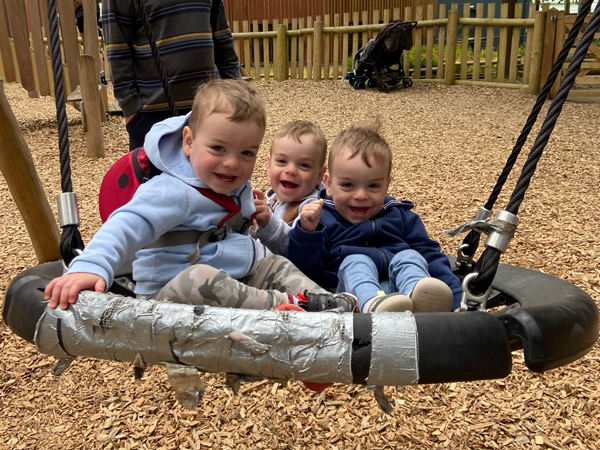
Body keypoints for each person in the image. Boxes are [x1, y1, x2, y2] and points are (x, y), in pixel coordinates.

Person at [44, 80, 356, 314]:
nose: (232, 162)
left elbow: (238, 235)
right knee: (200, 277)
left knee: (274, 265)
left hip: (236, 276)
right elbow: (126, 225)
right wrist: (92, 265)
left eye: (247, 153)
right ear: (189, 142)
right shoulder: (172, 189)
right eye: (218, 149)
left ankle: (333, 307)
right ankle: (293, 308)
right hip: (171, 293)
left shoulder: (236, 187)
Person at [287, 122, 462, 313]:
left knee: (410, 256)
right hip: (351, 301)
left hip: (401, 299)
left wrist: (456, 298)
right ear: (329, 185)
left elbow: (430, 255)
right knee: (356, 261)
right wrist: (307, 234)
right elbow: (305, 273)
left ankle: (421, 299)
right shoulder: (323, 220)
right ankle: (372, 304)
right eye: (348, 185)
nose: (361, 195)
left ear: (387, 185)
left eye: (373, 186)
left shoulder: (400, 216)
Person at [102, 0, 242, 150]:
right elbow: (118, 48)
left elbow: (222, 37)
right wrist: (132, 112)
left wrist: (237, 94)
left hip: (210, 108)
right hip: (153, 113)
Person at [252, 120, 326, 257]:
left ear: (319, 175)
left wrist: (268, 222)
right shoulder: (269, 200)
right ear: (269, 166)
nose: (291, 170)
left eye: (304, 165)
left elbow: (297, 251)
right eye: (282, 161)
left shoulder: (312, 208)